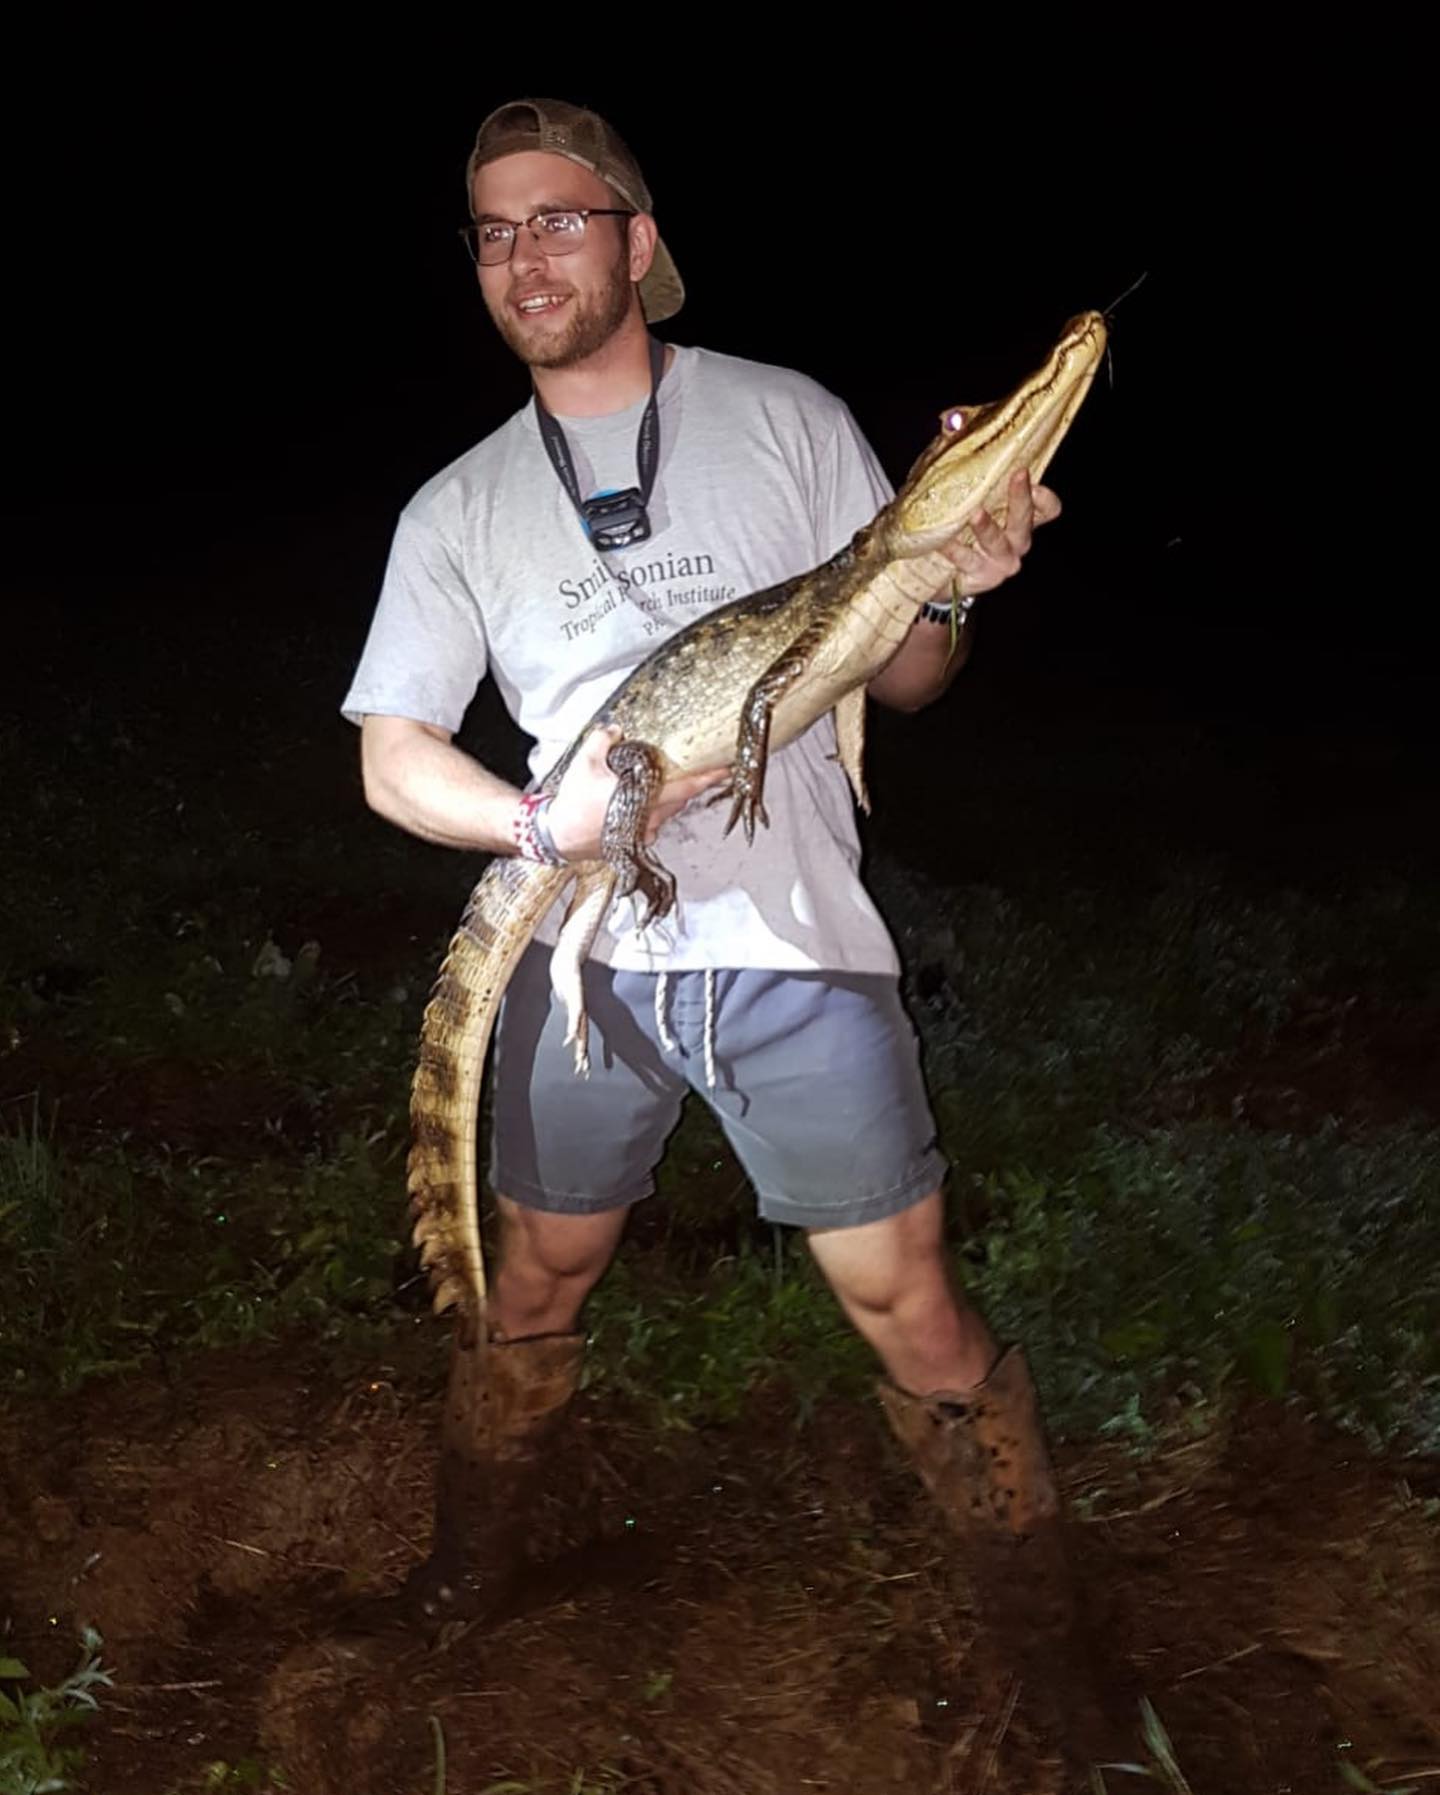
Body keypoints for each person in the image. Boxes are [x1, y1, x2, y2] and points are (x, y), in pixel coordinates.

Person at [342, 98, 1068, 1625]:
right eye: (494, 232)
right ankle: (467, 1575)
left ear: (639, 242)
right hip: (584, 961)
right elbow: (394, 756)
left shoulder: (787, 416)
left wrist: (952, 586)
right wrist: (539, 828)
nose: (526, 257)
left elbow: (905, 673)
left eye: (560, 219)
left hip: (795, 938)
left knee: (908, 1299)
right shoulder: (456, 505)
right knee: (532, 1280)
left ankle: (1043, 1641)